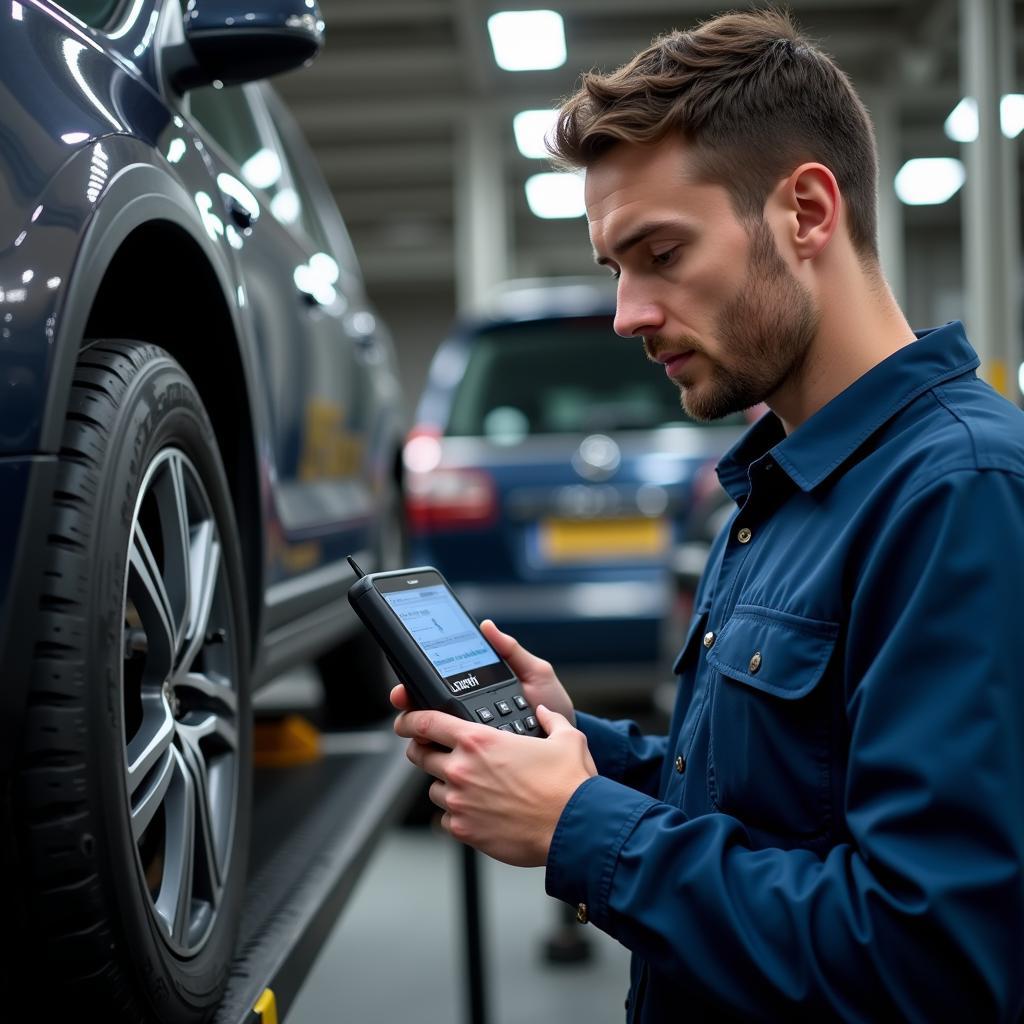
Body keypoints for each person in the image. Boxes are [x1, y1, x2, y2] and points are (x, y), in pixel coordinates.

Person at [393, 8, 1024, 1020]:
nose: (626, 315)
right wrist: (584, 752)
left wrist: (583, 829)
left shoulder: (959, 493)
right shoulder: (780, 486)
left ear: (806, 212)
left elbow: (931, 959)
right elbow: (777, 814)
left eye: (660, 254)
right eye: (615, 269)